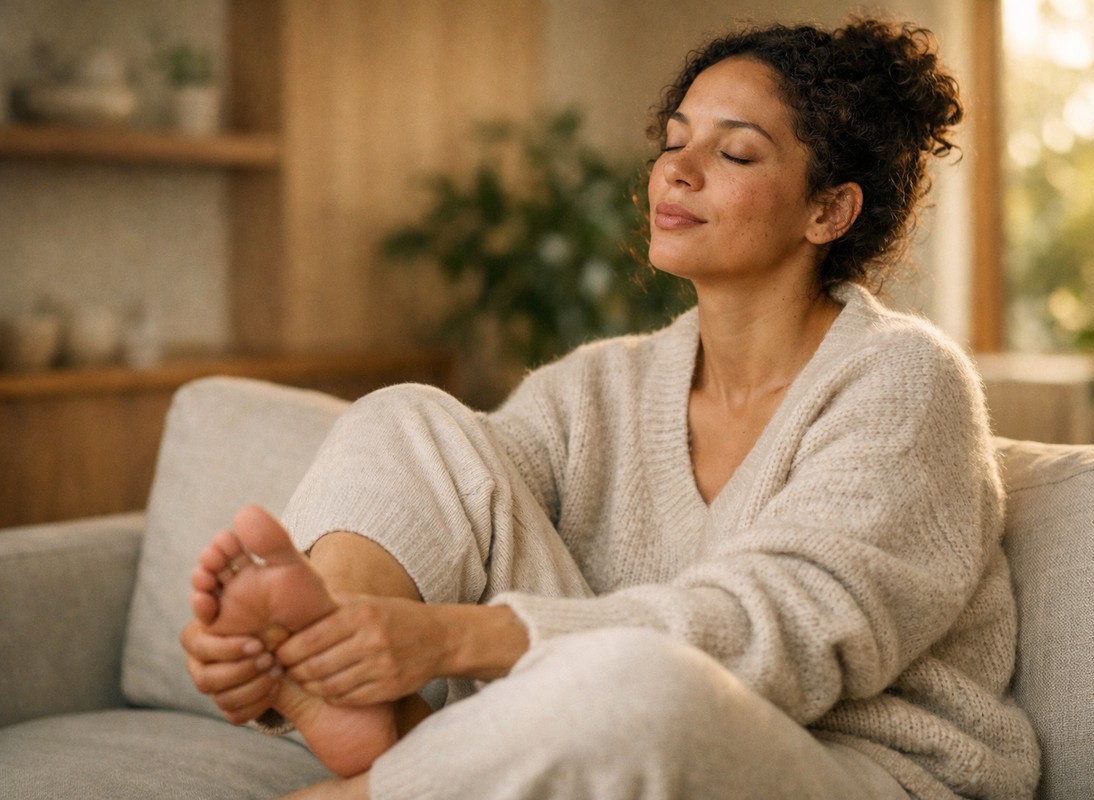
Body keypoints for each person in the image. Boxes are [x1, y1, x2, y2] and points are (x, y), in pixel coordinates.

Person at [182, 16, 1041, 800]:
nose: (678, 169)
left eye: (736, 154)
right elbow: (452, 495)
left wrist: (443, 640)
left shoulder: (904, 378)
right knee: (409, 417)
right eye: (675, 141)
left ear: (828, 210)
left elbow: (785, 629)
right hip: (611, 731)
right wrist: (312, 641)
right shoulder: (600, 385)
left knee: (646, 681)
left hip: (851, 768)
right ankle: (333, 668)